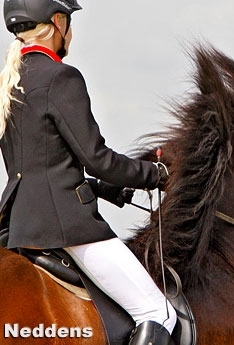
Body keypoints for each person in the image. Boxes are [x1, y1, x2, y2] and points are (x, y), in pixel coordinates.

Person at [0, 1, 177, 344]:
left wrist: (106, 189)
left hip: (18, 226)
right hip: (65, 229)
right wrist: (156, 173)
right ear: (57, 22)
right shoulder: (61, 77)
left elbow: (42, 167)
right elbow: (98, 159)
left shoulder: (10, 82)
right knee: (158, 312)